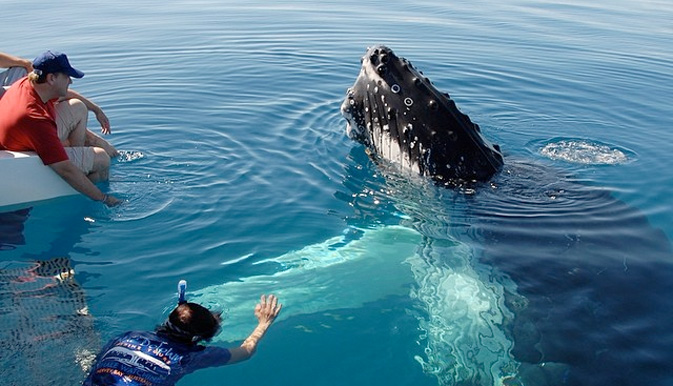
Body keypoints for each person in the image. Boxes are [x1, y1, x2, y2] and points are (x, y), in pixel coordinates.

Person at [84, 281, 282, 386]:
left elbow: (97, 362)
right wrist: (264, 323)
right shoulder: (189, 357)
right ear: (196, 338)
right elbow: (245, 352)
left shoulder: (128, 336)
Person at [0, 51, 120, 206]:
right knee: (102, 159)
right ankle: (84, 185)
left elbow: (65, 94)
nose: (70, 81)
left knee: (78, 107)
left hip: (21, 133)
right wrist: (105, 199)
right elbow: (65, 170)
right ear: (51, 78)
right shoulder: (36, 119)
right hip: (25, 144)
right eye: (67, 77)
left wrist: (96, 109)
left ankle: (81, 160)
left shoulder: (28, 83)